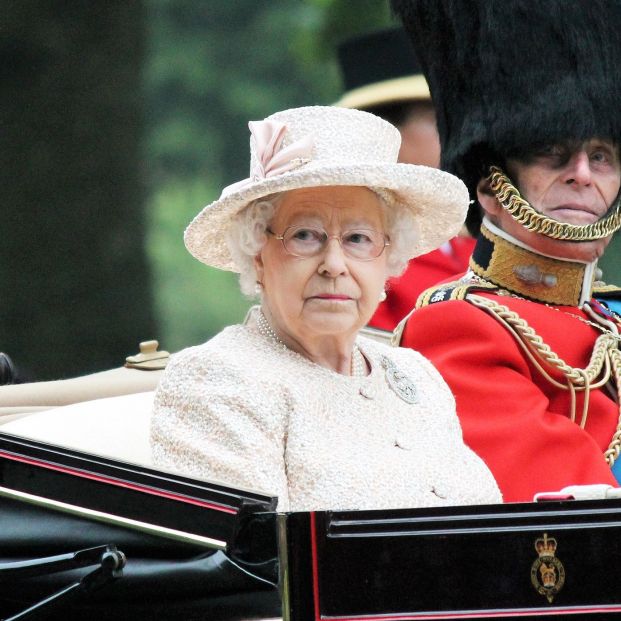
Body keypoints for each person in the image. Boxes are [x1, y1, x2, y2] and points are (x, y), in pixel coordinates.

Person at [150, 105, 501, 512]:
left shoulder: (417, 377)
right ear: (257, 253)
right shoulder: (216, 381)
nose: (334, 264)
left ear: (389, 259)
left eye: (358, 238)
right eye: (304, 235)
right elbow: (254, 567)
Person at [391, 0, 621, 502]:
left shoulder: (610, 320)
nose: (583, 173)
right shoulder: (456, 327)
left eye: (601, 156)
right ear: (491, 188)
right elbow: (572, 505)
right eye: (551, 152)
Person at [335, 27, 474, 331]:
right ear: (385, 132)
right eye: (437, 121)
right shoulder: (355, 251)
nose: (456, 134)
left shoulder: (471, 240)